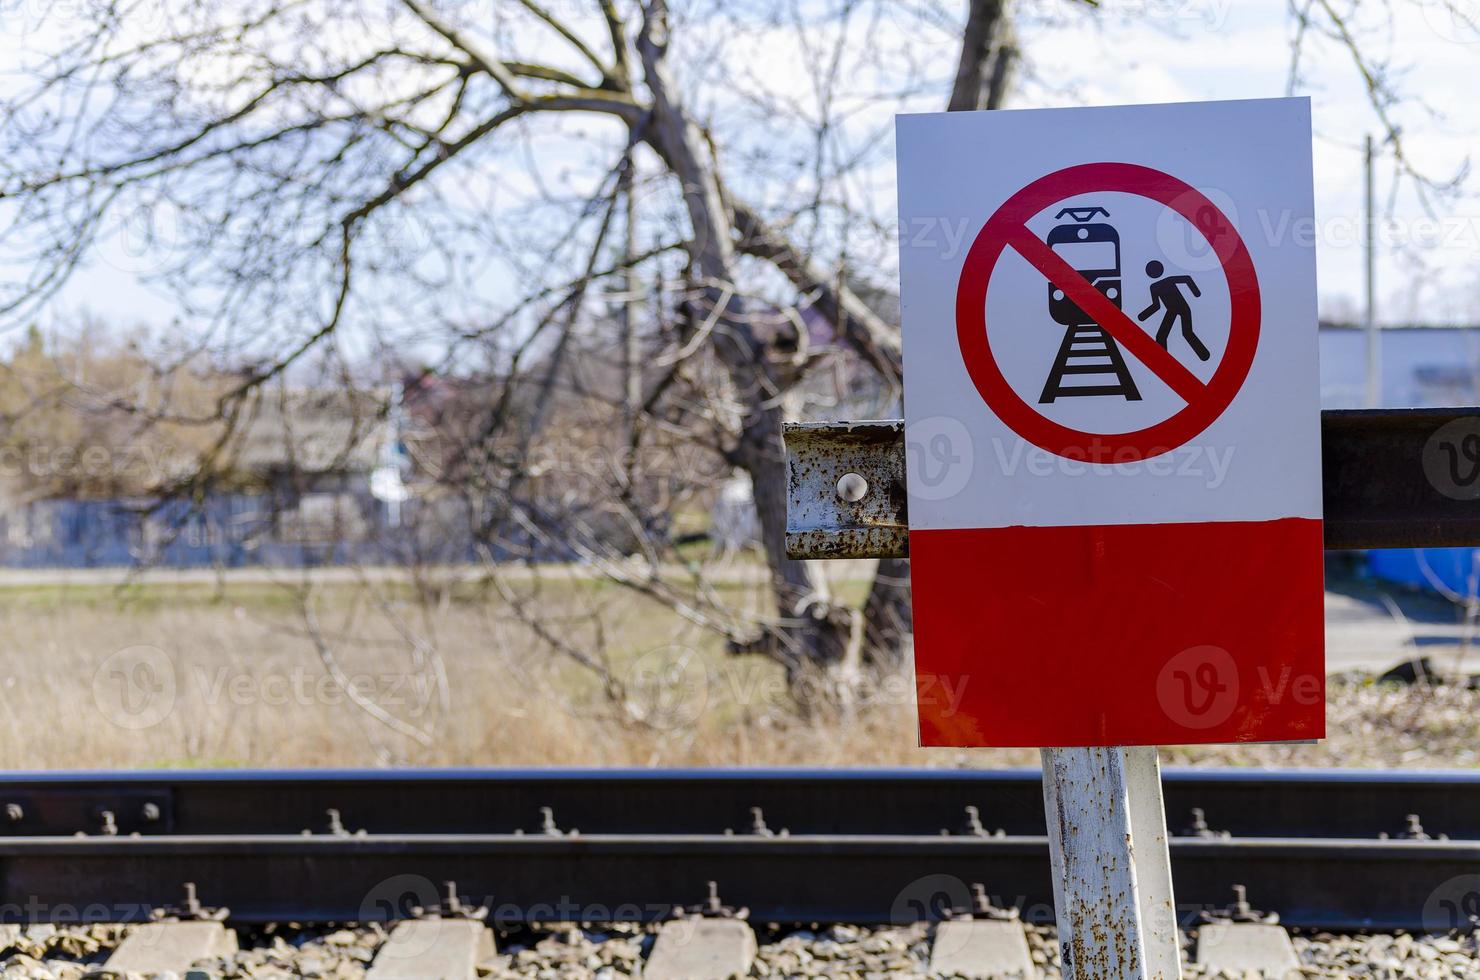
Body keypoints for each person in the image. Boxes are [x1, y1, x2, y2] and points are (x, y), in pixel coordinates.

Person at [1137, 260, 1208, 361]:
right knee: (1161, 336)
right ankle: (1163, 361)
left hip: (1183, 308)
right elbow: (1156, 305)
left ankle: (1204, 355)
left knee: (1186, 333)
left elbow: (1187, 279)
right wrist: (1142, 316)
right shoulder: (1154, 287)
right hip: (1172, 311)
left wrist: (1196, 292)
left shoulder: (1161, 283)